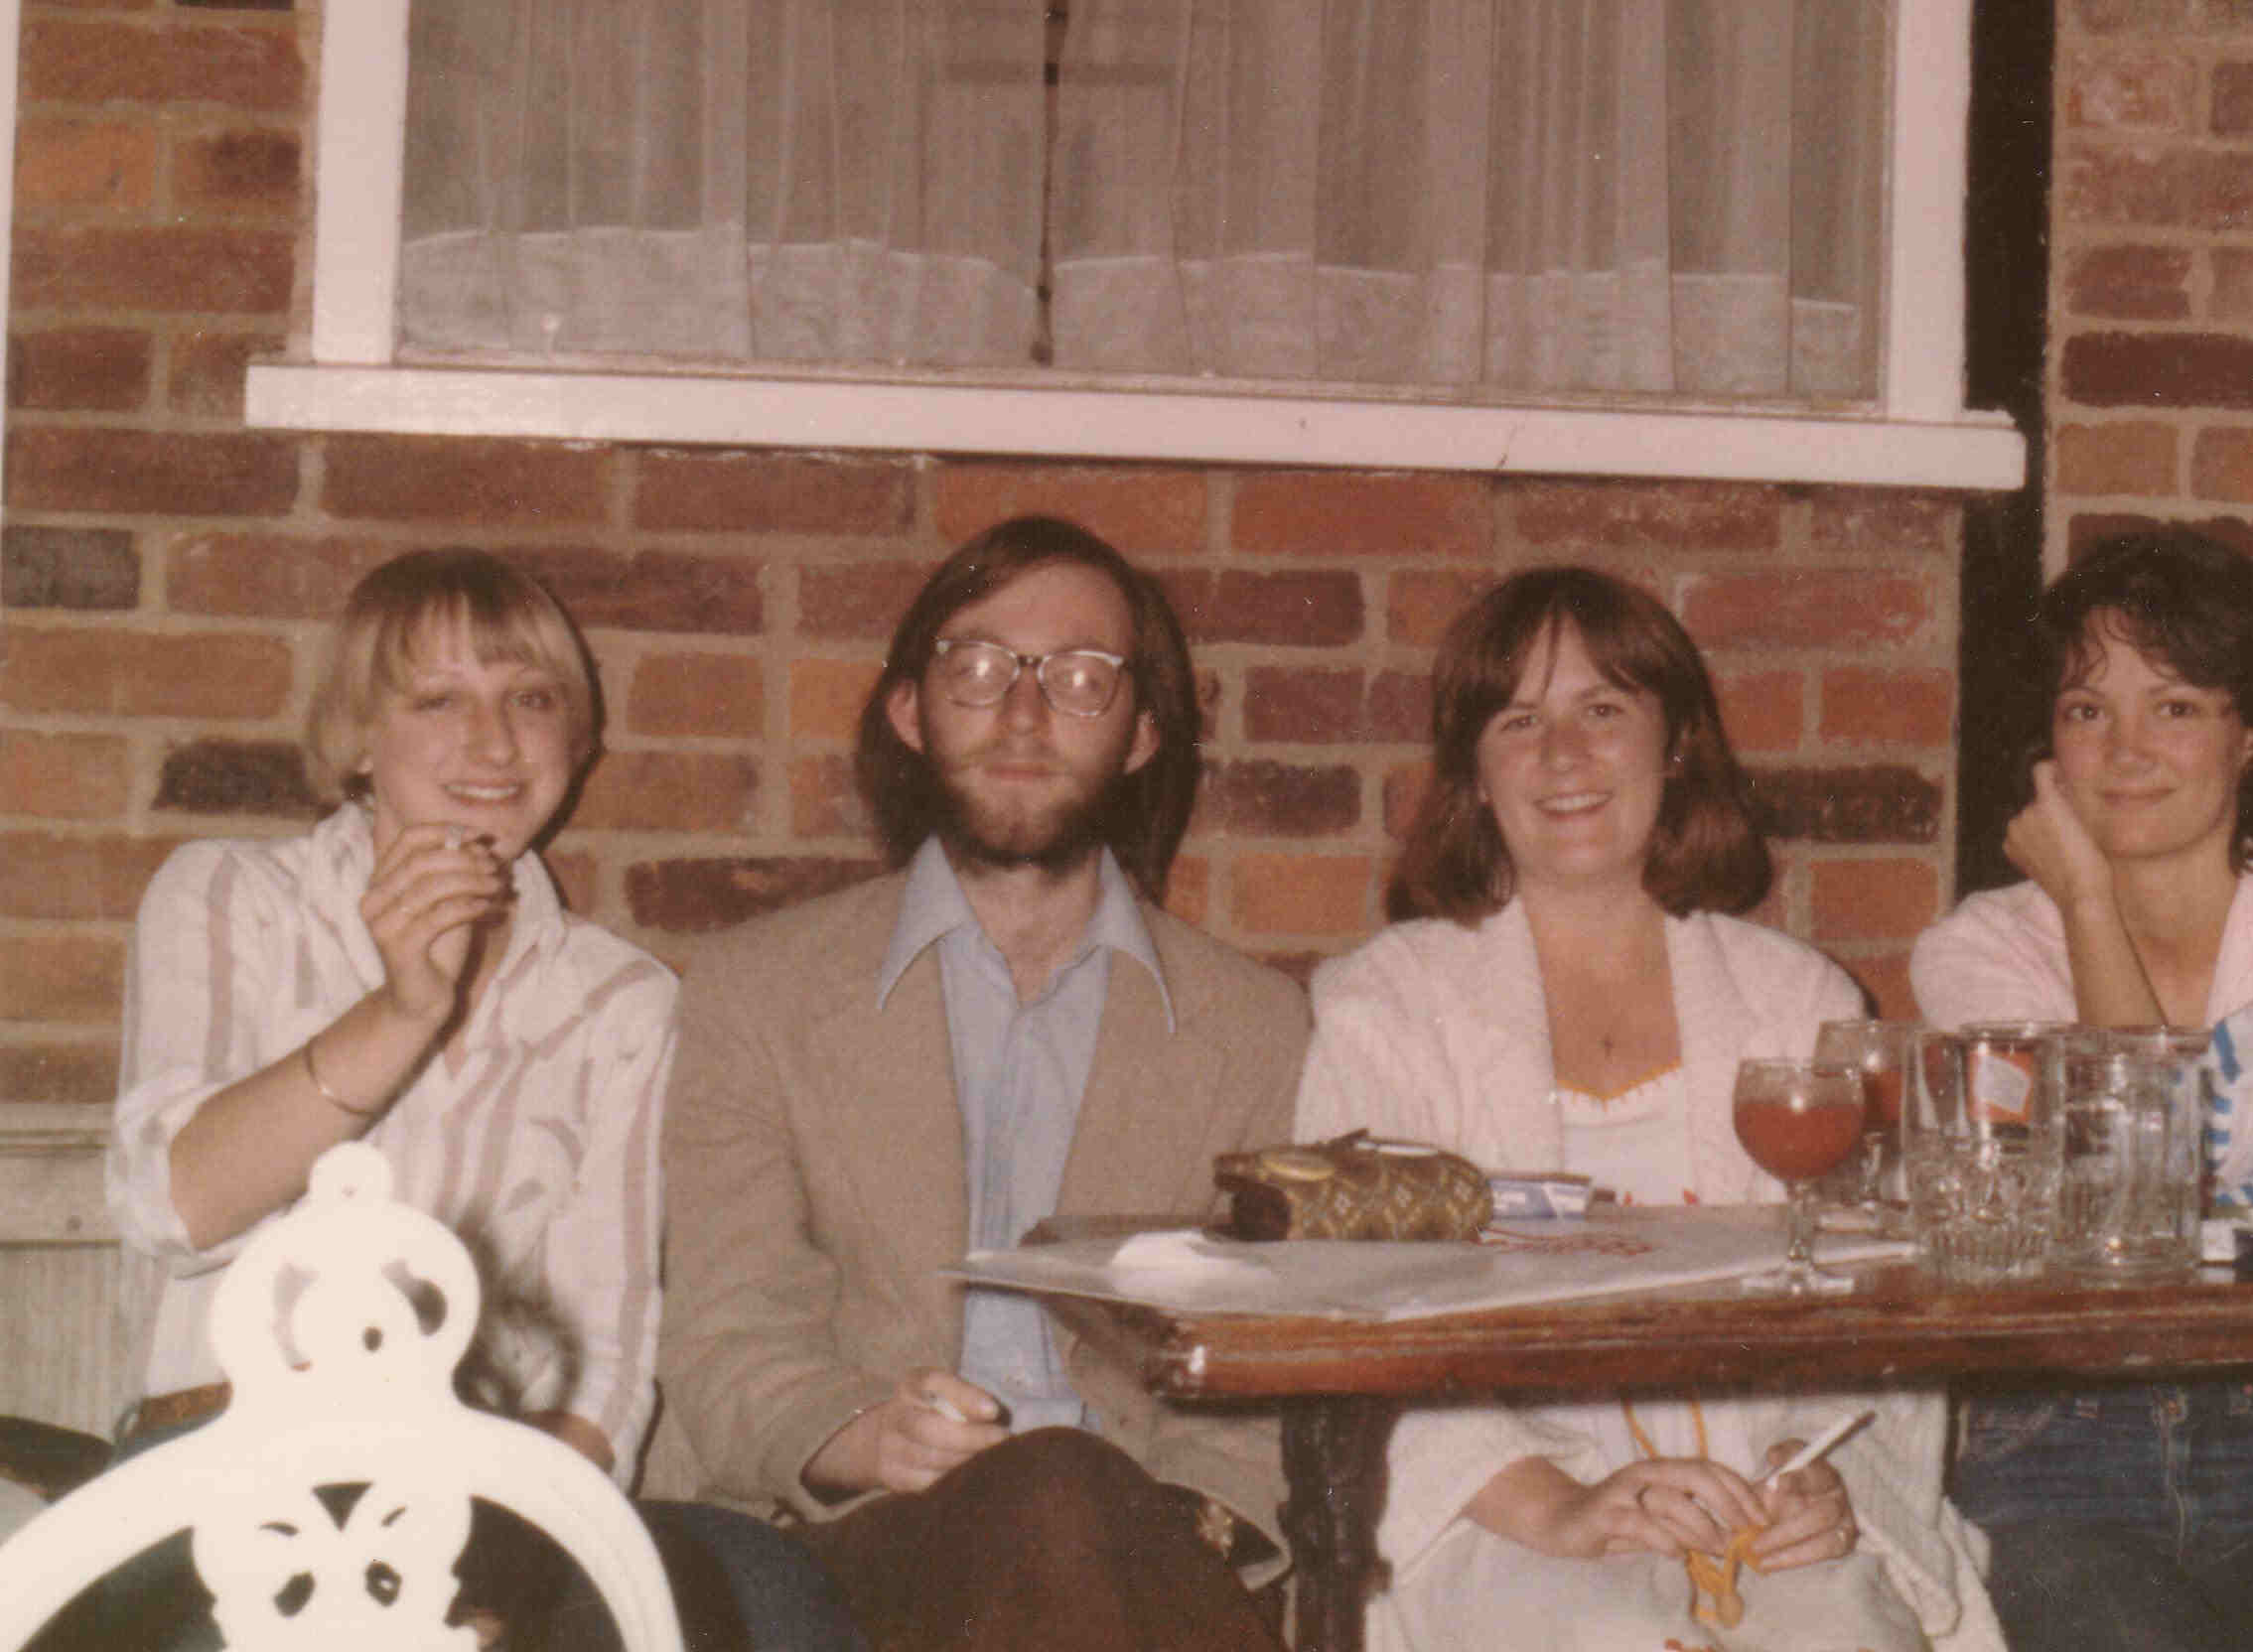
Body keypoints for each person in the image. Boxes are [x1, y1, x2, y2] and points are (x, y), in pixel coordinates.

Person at [88, 548, 860, 1652]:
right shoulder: (228, 897)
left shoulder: (620, 998)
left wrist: (482, 1550)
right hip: (221, 1467)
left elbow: (604, 1358)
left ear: (574, 742)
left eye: (531, 700)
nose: (493, 743)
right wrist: (401, 1010)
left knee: (763, 1592)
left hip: (487, 1482)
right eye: (438, 698)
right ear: (358, 737)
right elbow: (175, 1198)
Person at [1295, 567, 1998, 1652]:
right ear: (1474, 774)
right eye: (1518, 720)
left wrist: (1825, 1472)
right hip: (1503, 1505)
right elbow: (1348, 1315)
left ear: (1675, 746)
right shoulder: (1388, 1006)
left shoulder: (1795, 1000)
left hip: (1763, 1496)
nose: (1563, 756)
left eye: (1603, 711)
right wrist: (1551, 1504)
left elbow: (1879, 1290)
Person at [656, 516, 1311, 1652]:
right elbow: (724, 1334)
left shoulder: (1255, 1028)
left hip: (1141, 1547)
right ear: (910, 712)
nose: (1022, 712)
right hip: (845, 1536)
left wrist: (1169, 1528)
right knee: (1053, 1489)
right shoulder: (754, 991)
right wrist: (864, 1430)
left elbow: (1259, 1386)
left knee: (1064, 1493)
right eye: (977, 667)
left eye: (1078, 676)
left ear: (1145, 731)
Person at [1909, 528, 2253, 1652]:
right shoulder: (1981, 948)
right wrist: (2089, 901)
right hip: (2052, 1442)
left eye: (2177, 706)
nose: (2125, 750)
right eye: (2088, 710)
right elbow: (2140, 1178)